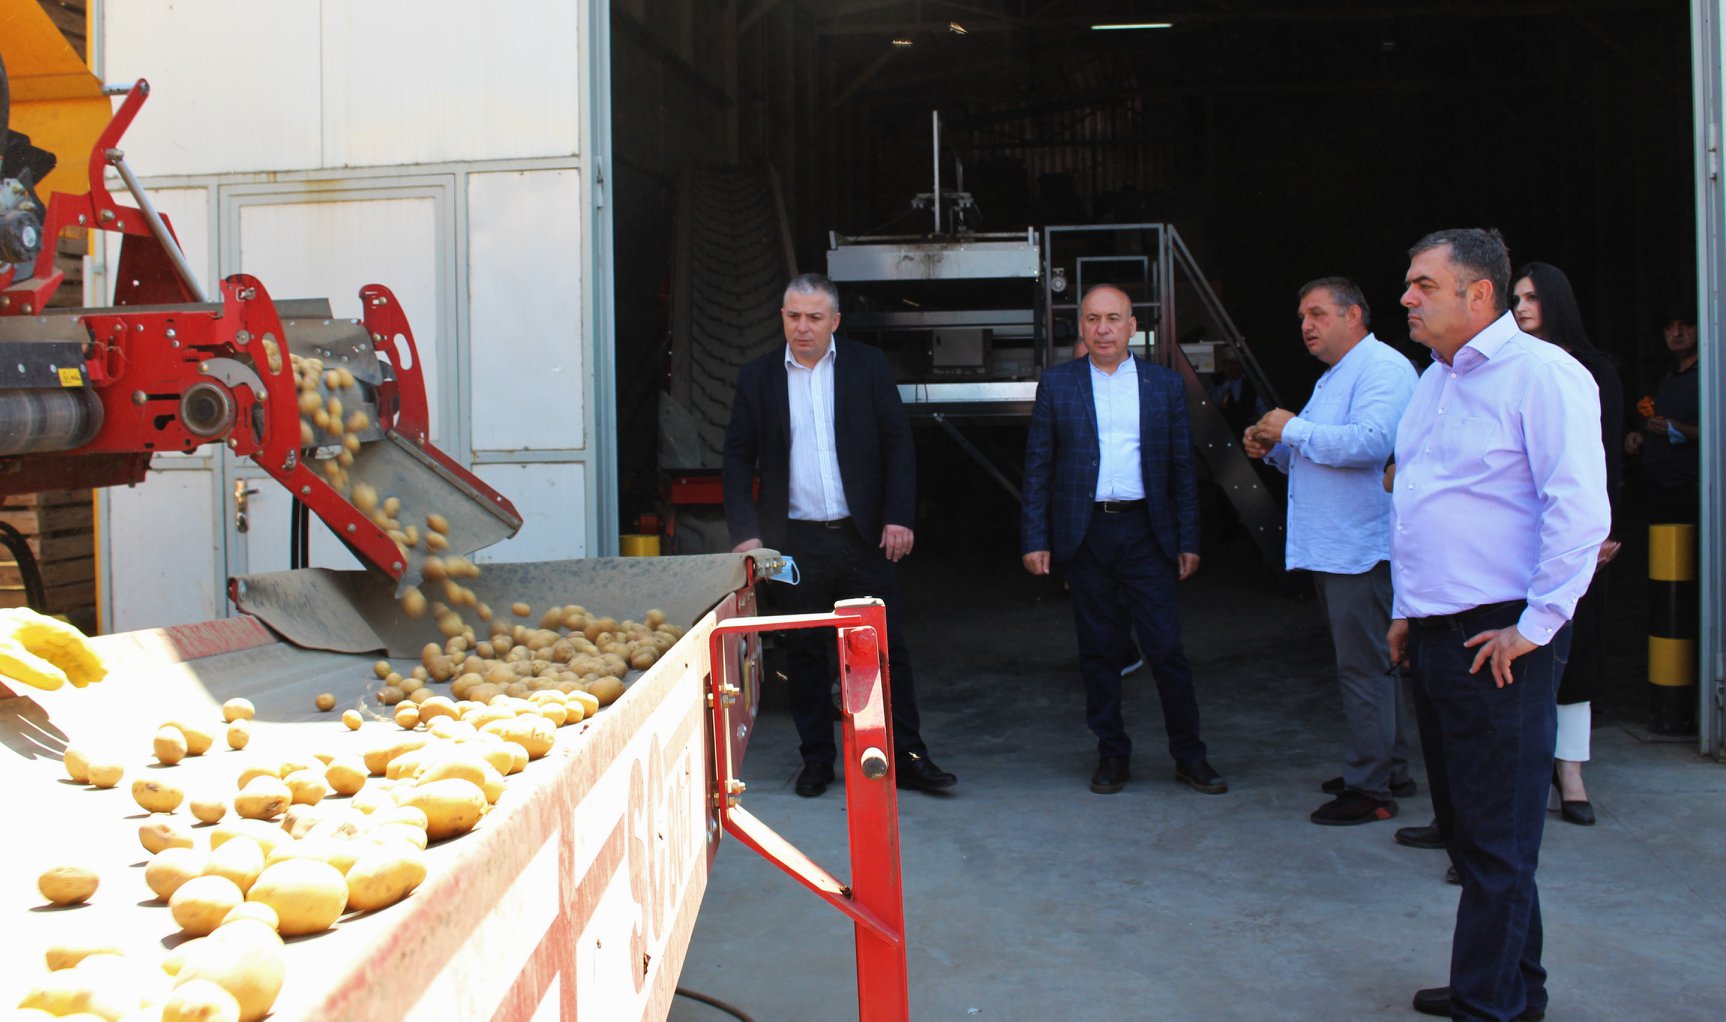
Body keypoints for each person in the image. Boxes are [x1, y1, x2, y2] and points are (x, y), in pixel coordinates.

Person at [1389, 229, 1609, 1021]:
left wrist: (1536, 625)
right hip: (1438, 633)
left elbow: (1579, 511)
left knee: (1500, 839)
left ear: (1478, 294)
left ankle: (1490, 1004)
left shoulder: (1544, 375)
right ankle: (1511, 986)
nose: (1407, 298)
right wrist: (1407, 610)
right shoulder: (1434, 381)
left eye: (1424, 285)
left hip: (1501, 639)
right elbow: (1419, 500)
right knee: (1473, 830)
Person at [722, 272, 956, 798]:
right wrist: (747, 536)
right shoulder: (758, 377)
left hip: (864, 535)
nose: (802, 327)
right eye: (793, 316)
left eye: (814, 317)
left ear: (835, 321)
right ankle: (816, 761)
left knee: (885, 650)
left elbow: (898, 444)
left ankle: (908, 755)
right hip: (794, 543)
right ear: (782, 317)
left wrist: (899, 516)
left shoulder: (866, 367)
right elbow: (736, 459)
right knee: (805, 652)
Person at [1021, 283, 1225, 796]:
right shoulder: (1058, 384)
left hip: (1146, 531)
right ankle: (1112, 755)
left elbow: (1181, 468)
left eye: (1114, 319)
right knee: (1098, 650)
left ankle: (1190, 756)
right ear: (1081, 326)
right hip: (1085, 532)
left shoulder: (1163, 385)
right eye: (1093, 319)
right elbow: (1039, 466)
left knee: (1166, 648)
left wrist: (1189, 539)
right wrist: (1035, 537)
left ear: (1133, 327)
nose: (1103, 329)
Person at [1243, 277, 1418, 826]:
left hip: (1358, 548)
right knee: (1372, 665)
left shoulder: (1382, 368)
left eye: (1317, 313)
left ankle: (1370, 788)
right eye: (1302, 317)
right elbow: (1319, 453)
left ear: (1353, 315)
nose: (1306, 326)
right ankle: (1389, 768)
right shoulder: (1338, 375)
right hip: (1338, 545)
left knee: (1364, 669)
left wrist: (1292, 429)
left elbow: (1370, 442)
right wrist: (1275, 448)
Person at [1510, 262, 1624, 827]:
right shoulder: (1505, 368)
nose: (1522, 307)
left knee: (1573, 652)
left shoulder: (1594, 368)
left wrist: (1606, 529)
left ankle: (1571, 771)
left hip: (1576, 532)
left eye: (1532, 297)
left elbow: (1607, 456)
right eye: (1516, 298)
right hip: (1516, 537)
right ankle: (1523, 775)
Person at [1624, 306, 1700, 523]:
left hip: (1692, 493)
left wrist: (1676, 429)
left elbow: (1717, 433)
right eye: (1669, 327)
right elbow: (1661, 422)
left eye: (1685, 325)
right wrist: (1641, 437)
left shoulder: (1711, 374)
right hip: (1659, 490)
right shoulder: (1668, 377)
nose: (1676, 333)